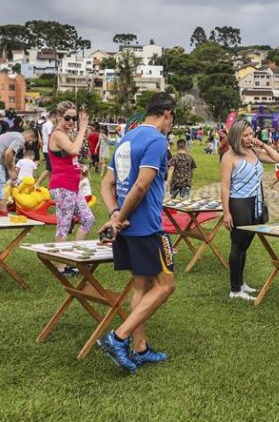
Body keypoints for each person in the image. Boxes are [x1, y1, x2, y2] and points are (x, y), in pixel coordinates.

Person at [96, 92, 178, 373]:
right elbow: (141, 187)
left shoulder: (126, 139)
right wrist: (122, 216)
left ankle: (140, 348)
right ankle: (118, 337)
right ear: (167, 113)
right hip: (146, 228)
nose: (170, 126)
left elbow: (106, 184)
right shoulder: (156, 140)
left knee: (142, 285)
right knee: (166, 286)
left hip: (126, 228)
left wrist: (114, 215)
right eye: (172, 120)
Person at [220, 119, 279, 301]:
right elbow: (225, 186)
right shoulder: (229, 157)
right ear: (237, 136)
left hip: (256, 202)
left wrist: (261, 143)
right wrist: (226, 212)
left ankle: (241, 282)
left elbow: (278, 159)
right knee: (238, 245)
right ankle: (235, 288)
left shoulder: (254, 151)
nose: (249, 138)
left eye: (251, 134)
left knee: (246, 245)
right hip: (239, 203)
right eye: (245, 135)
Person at [48, 101, 95, 245]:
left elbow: (69, 156)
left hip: (72, 187)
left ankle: (74, 257)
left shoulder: (65, 135)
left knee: (88, 219)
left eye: (74, 119)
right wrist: (82, 129)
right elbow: (74, 150)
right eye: (67, 118)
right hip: (62, 186)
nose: (71, 122)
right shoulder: (57, 134)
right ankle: (61, 266)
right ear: (58, 116)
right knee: (64, 226)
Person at [0, 129, 36, 212]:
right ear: (30, 137)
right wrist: (10, 171)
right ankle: (3, 218)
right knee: (1, 193)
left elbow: (12, 157)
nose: (30, 143)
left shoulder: (15, 134)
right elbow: (8, 153)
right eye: (32, 141)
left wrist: (12, 169)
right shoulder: (20, 138)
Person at [35, 111, 55, 187]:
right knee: (49, 168)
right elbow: (51, 135)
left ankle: (50, 185)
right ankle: (38, 183)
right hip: (48, 148)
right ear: (54, 117)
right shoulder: (50, 124)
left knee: (51, 168)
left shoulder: (45, 124)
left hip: (45, 148)